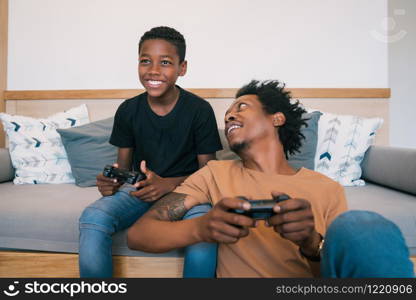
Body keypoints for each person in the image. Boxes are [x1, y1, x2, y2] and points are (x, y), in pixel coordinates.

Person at [127, 80, 415, 278]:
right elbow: (139, 235)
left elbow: (333, 271)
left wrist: (309, 241)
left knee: (364, 226)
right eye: (227, 113)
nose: (229, 116)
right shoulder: (215, 173)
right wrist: (203, 228)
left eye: (241, 107)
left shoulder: (326, 188)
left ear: (276, 119)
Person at [78, 26, 223, 278]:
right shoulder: (128, 110)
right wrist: (112, 181)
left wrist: (168, 185)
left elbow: (209, 175)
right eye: (145, 61)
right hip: (140, 192)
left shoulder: (199, 110)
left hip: (187, 193)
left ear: (182, 68)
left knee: (204, 231)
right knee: (92, 218)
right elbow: (123, 169)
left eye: (165, 62)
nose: (153, 70)